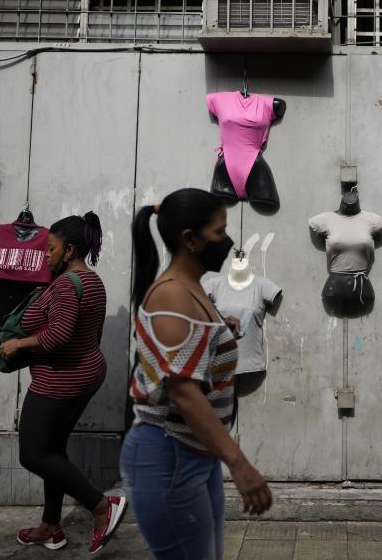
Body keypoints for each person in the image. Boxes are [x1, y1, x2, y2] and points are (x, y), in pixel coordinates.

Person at [123, 188, 272, 559]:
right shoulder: (174, 296)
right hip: (170, 453)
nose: (228, 242)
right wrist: (240, 464)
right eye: (219, 232)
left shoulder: (193, 290)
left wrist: (223, 328)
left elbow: (190, 346)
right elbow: (184, 392)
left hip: (192, 453)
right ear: (190, 239)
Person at [0, 211, 127, 554]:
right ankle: (51, 527)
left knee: (33, 455)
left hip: (60, 381)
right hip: (86, 374)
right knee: (52, 451)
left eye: (50, 248)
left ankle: (101, 506)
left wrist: (17, 344)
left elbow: (58, 336)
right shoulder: (92, 281)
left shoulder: (68, 286)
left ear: (69, 250)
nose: (46, 254)